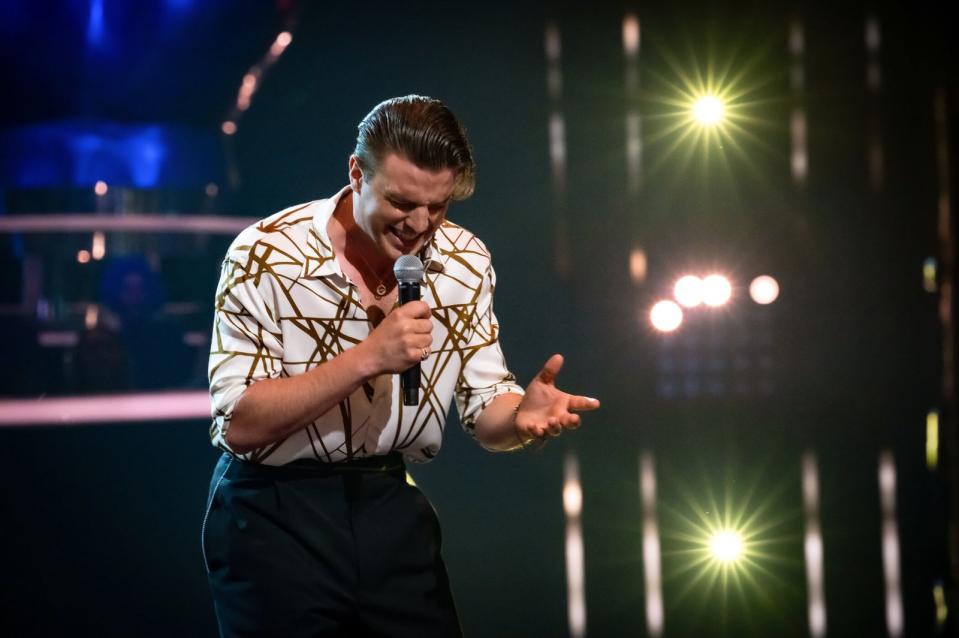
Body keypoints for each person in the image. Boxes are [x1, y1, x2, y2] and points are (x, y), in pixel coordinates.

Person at [202, 95, 600, 637]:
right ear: (356, 173)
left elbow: (485, 410)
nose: (420, 224)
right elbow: (240, 424)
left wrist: (520, 420)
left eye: (439, 206)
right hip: (273, 510)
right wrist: (368, 358)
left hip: (388, 502)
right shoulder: (267, 254)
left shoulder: (464, 261)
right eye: (402, 202)